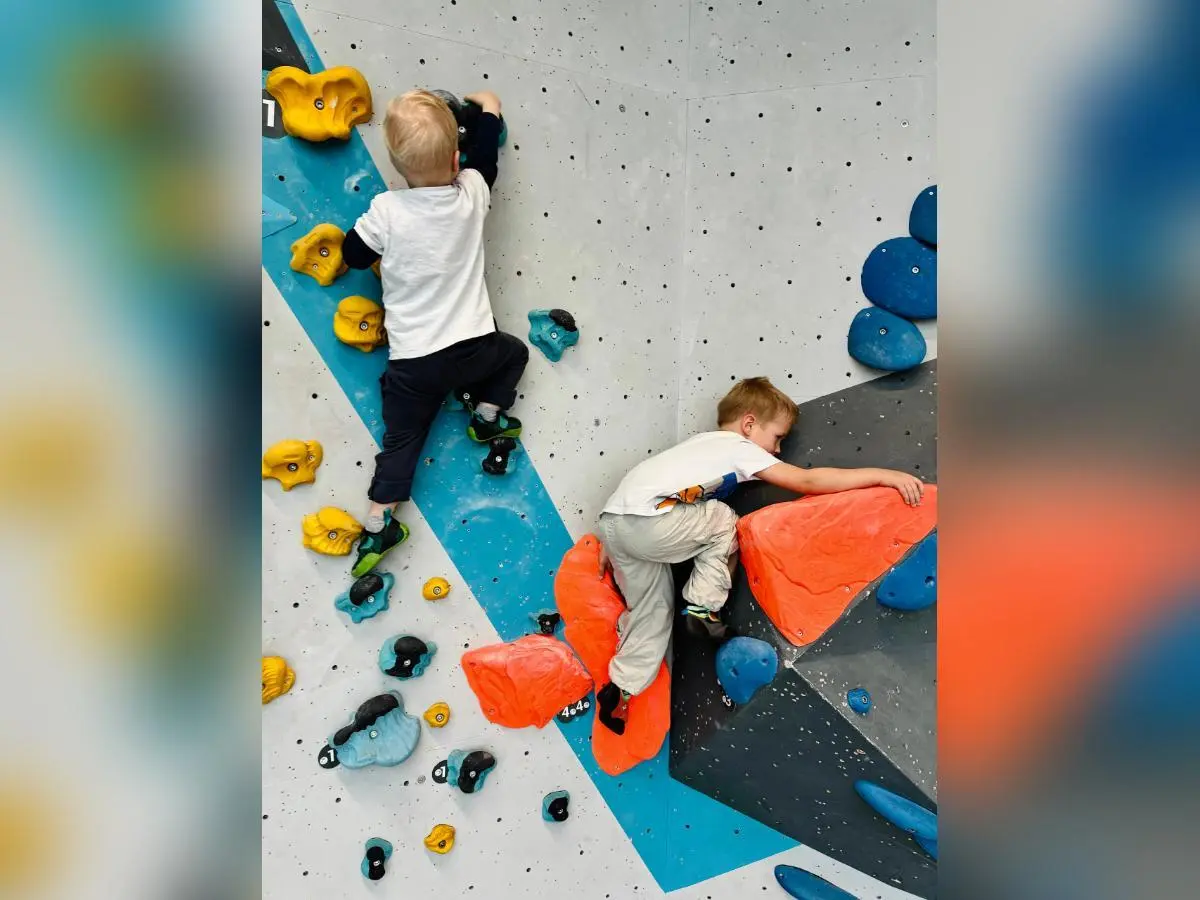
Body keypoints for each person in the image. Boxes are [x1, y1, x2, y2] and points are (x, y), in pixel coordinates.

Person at [593, 376, 924, 734]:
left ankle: (621, 689)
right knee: (724, 523)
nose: (778, 449)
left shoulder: (697, 447)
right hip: (650, 521)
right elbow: (807, 482)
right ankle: (703, 607)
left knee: (652, 609)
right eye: (777, 437)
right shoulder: (737, 446)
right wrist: (881, 475)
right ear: (749, 424)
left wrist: (616, 542)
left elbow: (638, 499)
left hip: (616, 524)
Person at [340, 89, 528, 577]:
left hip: (413, 365)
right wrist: (490, 109)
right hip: (473, 350)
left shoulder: (386, 209)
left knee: (401, 442)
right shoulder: (471, 194)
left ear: (396, 164)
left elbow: (354, 255)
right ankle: (487, 416)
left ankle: (379, 522)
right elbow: (487, 158)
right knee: (514, 355)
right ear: (454, 157)